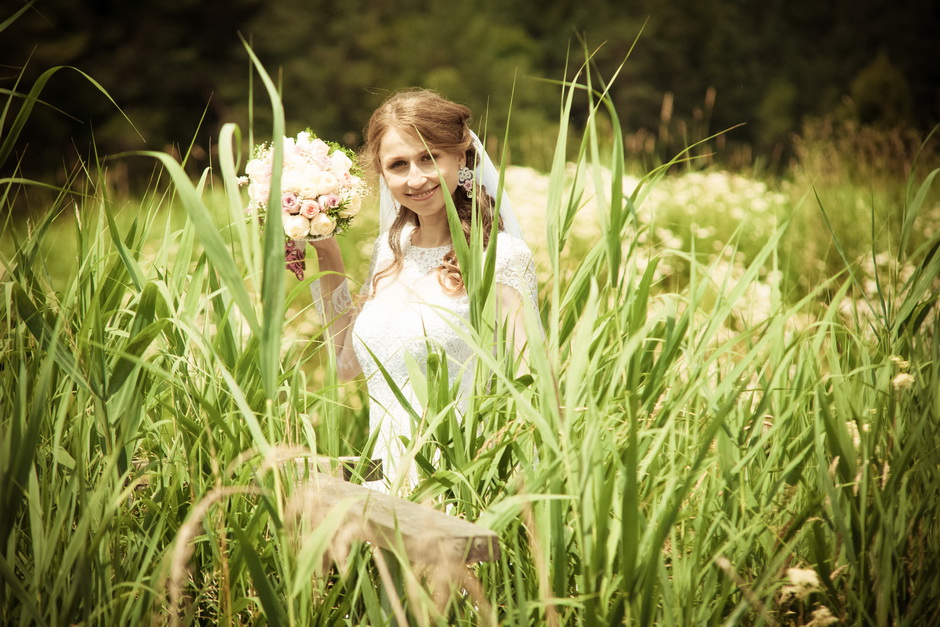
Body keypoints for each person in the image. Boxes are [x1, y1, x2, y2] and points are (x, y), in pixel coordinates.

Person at [306, 89, 538, 492]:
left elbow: (529, 387)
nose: (415, 178)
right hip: (381, 483)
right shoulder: (388, 253)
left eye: (429, 158)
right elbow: (346, 367)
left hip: (460, 484)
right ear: (382, 174)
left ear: (462, 158)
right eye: (398, 165)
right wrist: (327, 253)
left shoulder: (498, 258)